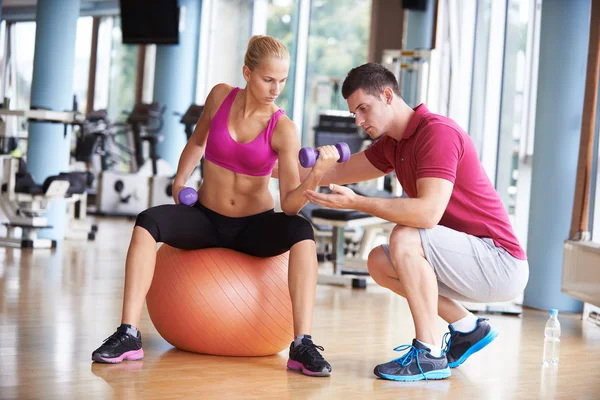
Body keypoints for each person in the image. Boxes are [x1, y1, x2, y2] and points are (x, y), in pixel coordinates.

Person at [91, 35, 340, 377]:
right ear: (247, 72)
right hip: (207, 219)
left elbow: (290, 204)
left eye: (282, 81)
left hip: (254, 227)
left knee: (301, 230)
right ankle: (129, 334)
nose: (275, 89)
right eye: (268, 79)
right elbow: (197, 142)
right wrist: (180, 180)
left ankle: (302, 343)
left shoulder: (283, 128)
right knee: (147, 221)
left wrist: (316, 177)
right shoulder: (220, 96)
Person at [298, 63, 529, 381]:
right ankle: (467, 327)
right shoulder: (393, 144)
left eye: (364, 109)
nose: (359, 121)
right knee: (380, 262)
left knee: (406, 235)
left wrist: (357, 203)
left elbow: (426, 214)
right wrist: (259, 165)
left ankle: (429, 353)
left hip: (499, 261)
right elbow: (336, 172)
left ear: (388, 95)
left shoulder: (437, 133)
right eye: (354, 113)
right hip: (465, 257)